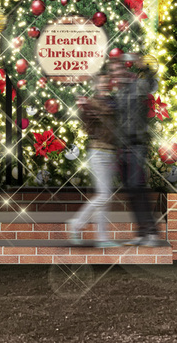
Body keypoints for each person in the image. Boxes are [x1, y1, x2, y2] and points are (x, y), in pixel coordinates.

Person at [68, 60, 121, 247]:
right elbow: (86, 127)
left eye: (107, 81)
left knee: (105, 195)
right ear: (96, 85)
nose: (104, 84)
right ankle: (76, 224)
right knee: (104, 196)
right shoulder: (93, 103)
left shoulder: (113, 103)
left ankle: (102, 238)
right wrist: (84, 110)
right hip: (97, 152)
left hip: (110, 152)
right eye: (101, 82)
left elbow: (114, 119)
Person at [113, 53, 165, 246]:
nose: (117, 75)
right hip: (122, 147)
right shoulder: (117, 95)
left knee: (136, 186)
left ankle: (151, 232)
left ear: (126, 70)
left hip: (137, 145)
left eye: (120, 70)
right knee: (130, 189)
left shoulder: (138, 87)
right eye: (114, 73)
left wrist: (144, 68)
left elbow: (153, 84)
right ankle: (142, 233)